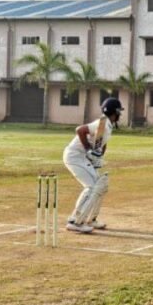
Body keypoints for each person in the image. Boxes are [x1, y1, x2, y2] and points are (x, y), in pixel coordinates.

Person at [62, 97, 124, 234]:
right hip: (74, 156)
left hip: (83, 158)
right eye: (119, 112)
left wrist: (98, 157)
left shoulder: (107, 124)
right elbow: (80, 130)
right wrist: (87, 149)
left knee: (101, 186)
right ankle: (75, 221)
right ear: (115, 112)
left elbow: (102, 143)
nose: (120, 115)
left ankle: (91, 219)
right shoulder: (102, 123)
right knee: (91, 187)